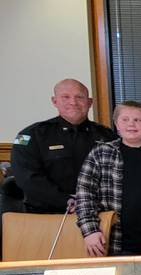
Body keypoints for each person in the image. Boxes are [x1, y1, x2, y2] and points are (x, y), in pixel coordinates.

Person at [75, 101, 141, 256]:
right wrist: (89, 230)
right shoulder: (101, 153)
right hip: (116, 243)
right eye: (125, 119)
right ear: (116, 124)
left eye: (138, 120)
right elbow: (84, 195)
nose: (131, 124)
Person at [11, 79, 115, 213]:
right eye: (65, 97)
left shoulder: (107, 136)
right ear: (55, 101)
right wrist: (66, 201)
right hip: (47, 216)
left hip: (98, 212)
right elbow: (27, 178)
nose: (73, 102)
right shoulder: (30, 135)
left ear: (89, 103)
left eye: (79, 97)